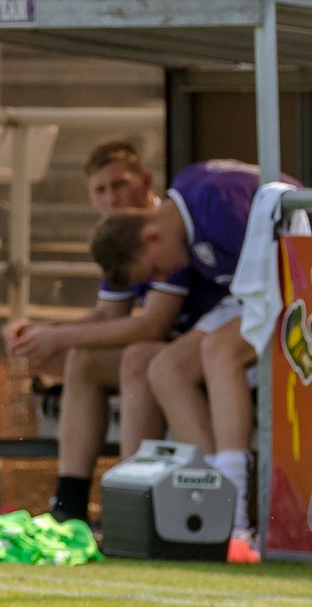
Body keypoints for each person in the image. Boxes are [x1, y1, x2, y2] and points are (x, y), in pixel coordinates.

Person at [90, 159, 291, 560]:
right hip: (263, 293)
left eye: (156, 269)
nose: (167, 273)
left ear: (150, 238)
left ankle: (234, 524)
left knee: (220, 351)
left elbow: (288, 265)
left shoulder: (217, 206)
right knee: (164, 366)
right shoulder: (184, 211)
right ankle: (208, 504)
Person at [1, 141, 206, 524]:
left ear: (145, 182)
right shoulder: (121, 237)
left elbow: (151, 324)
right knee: (87, 358)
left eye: (119, 185)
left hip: (202, 348)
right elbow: (108, 314)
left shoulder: (163, 231)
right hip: (172, 353)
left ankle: (130, 504)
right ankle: (70, 503)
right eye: (101, 190)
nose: (112, 198)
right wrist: (43, 333)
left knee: (136, 357)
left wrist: (60, 337)